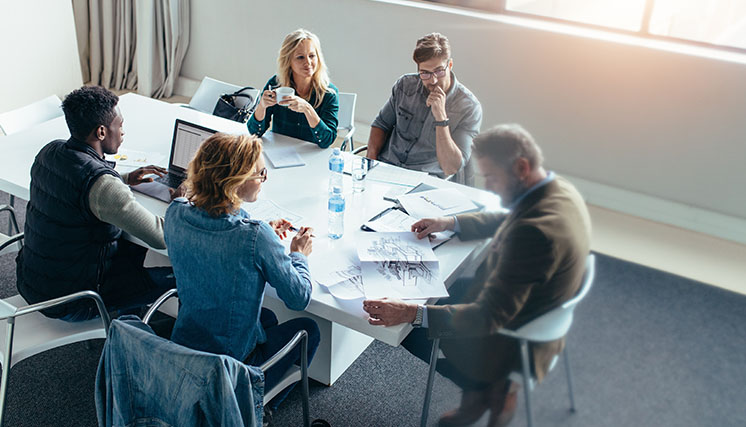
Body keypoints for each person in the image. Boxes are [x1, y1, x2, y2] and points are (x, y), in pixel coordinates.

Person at [363, 124, 591, 427]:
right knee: (432, 293)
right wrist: (450, 222)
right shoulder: (555, 190)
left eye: (492, 178)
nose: (490, 187)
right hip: (535, 300)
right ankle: (481, 393)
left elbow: (488, 317)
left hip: (510, 331)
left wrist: (411, 313)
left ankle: (489, 388)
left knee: (408, 329)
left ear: (521, 168)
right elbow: (508, 217)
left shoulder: (533, 234)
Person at [164, 133, 320, 420]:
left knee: (268, 319)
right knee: (310, 328)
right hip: (230, 366)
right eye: (260, 173)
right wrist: (299, 254)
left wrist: (258, 234)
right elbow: (298, 297)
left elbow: (216, 236)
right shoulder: (255, 235)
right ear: (235, 182)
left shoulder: (174, 212)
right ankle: (258, 410)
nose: (264, 178)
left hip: (184, 348)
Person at [16, 86, 175, 321]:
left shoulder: (49, 152)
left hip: (33, 282)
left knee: (133, 244)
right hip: (76, 300)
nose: (122, 132)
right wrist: (181, 199)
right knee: (181, 277)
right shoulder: (102, 186)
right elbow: (161, 237)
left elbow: (75, 188)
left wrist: (125, 179)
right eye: (119, 126)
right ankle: (131, 333)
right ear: (101, 131)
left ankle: (127, 320)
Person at [367, 32, 482, 185]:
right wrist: (370, 164)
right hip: (386, 169)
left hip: (424, 182)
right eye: (425, 73)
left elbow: (451, 168)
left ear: (450, 65)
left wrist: (441, 118)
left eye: (439, 71)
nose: (433, 80)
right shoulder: (405, 85)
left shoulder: (469, 107)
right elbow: (381, 125)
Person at [248, 28, 339, 148]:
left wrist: (307, 109)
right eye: (300, 57)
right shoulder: (276, 85)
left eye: (312, 56)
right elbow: (255, 133)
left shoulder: (329, 93)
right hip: (279, 152)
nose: (308, 62)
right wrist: (262, 106)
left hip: (310, 155)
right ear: (288, 61)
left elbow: (327, 141)